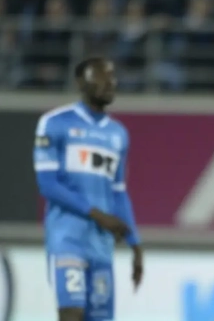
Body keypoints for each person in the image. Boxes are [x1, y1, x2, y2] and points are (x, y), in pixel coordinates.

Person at [33, 57, 143, 321]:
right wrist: (97, 214)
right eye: (100, 76)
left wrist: (135, 245)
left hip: (101, 246)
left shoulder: (118, 134)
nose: (110, 83)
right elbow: (48, 184)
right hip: (66, 239)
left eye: (112, 76)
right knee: (71, 314)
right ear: (80, 83)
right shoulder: (55, 123)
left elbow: (118, 192)